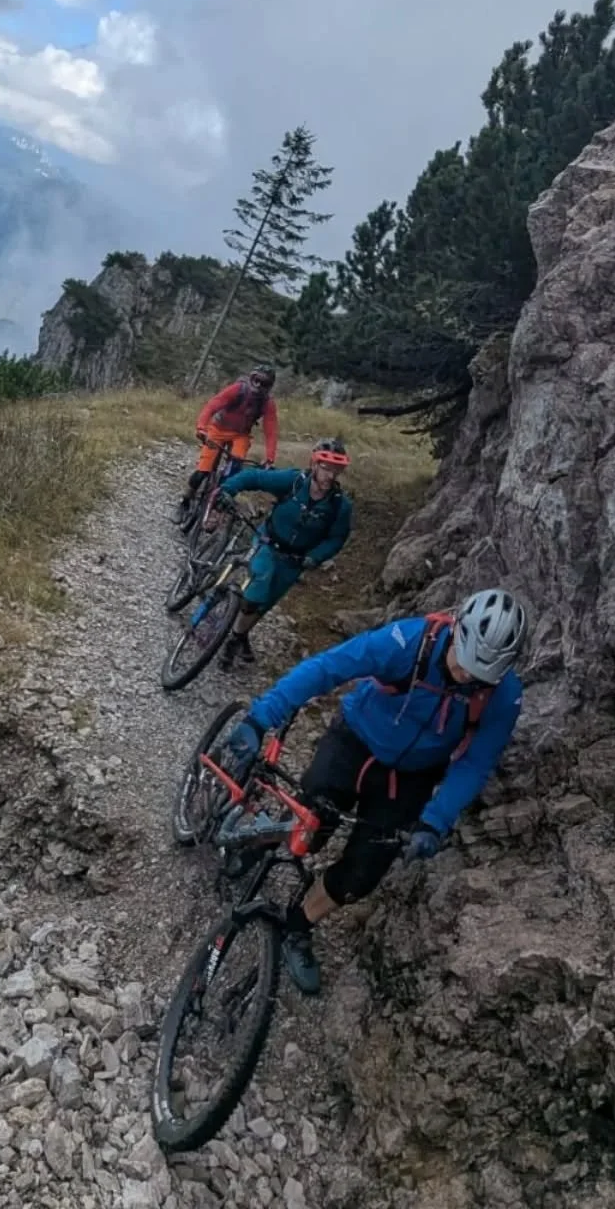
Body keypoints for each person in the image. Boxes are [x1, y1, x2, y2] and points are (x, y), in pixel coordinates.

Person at [223, 588, 528, 993]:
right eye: (464, 664)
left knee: (362, 874)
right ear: (456, 629)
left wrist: (434, 822)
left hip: (412, 776)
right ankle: (259, 840)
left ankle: (297, 926)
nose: (466, 677)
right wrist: (262, 717)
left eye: (480, 676)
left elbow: (475, 763)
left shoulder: (503, 696)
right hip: (354, 743)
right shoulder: (408, 642)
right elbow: (329, 668)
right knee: (311, 825)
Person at [215, 438, 352, 668]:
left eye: (335, 470)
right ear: (314, 464)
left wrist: (315, 557)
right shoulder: (294, 482)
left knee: (264, 603)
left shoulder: (340, 506)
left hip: (294, 560)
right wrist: (228, 489)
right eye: (325, 468)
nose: (329, 475)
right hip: (268, 542)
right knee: (259, 583)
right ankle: (232, 638)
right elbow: (254, 477)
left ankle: (238, 636)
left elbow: (337, 538)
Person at [175, 365, 279, 522]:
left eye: (263, 383)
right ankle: (185, 501)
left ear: (269, 387)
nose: (258, 385)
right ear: (251, 378)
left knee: (234, 468)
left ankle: (218, 503)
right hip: (217, 429)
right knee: (203, 470)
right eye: (256, 380)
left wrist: (270, 458)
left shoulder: (267, 403)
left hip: (240, 435)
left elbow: (271, 430)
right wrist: (202, 427)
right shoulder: (238, 389)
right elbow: (212, 405)